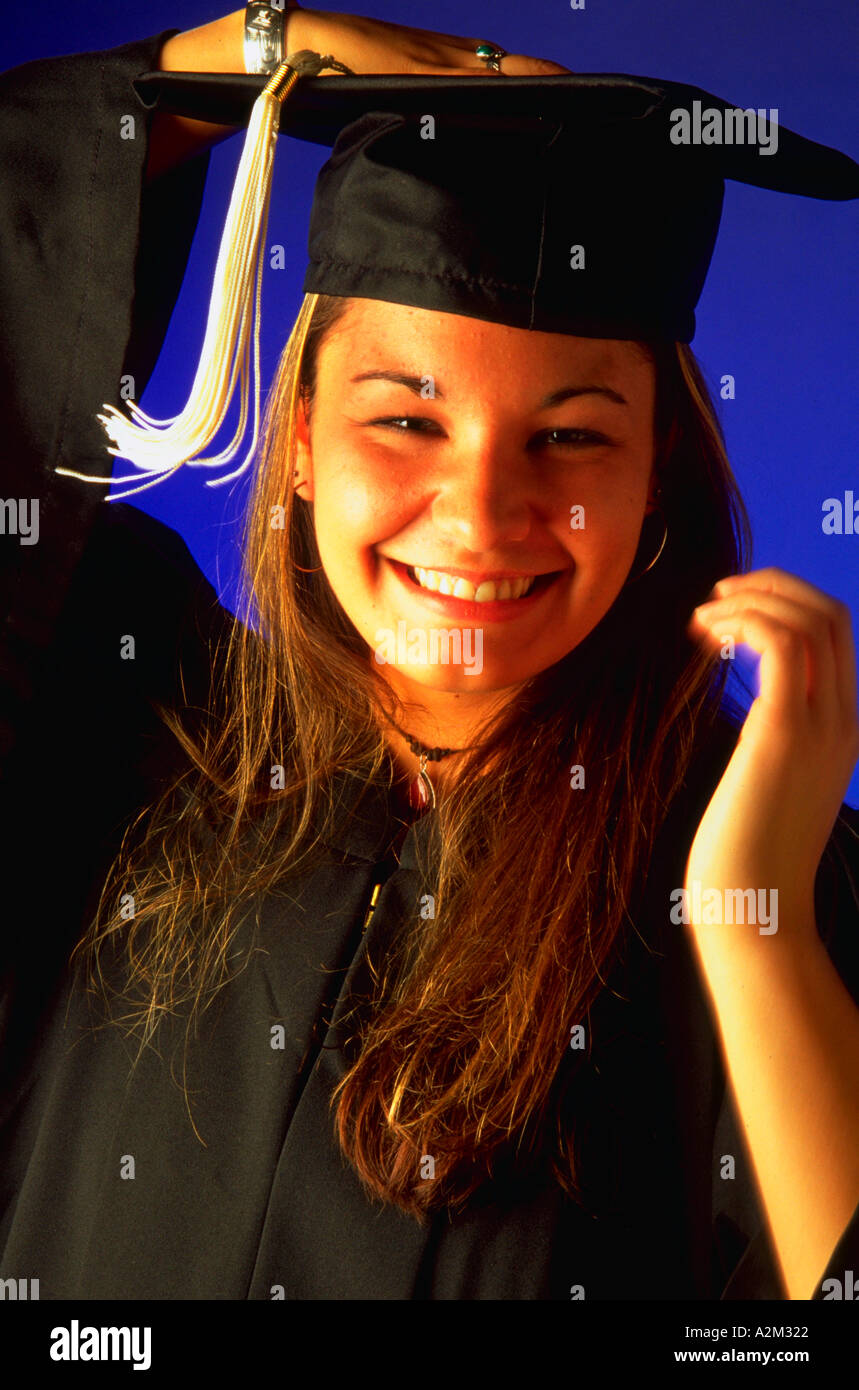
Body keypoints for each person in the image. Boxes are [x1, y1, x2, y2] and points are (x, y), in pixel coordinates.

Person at [0, 3, 857, 1303]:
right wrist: (241, 57)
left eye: (571, 438)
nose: (481, 515)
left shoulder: (793, 886)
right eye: (405, 417)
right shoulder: (129, 701)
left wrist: (761, 922)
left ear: (656, 478)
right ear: (297, 436)